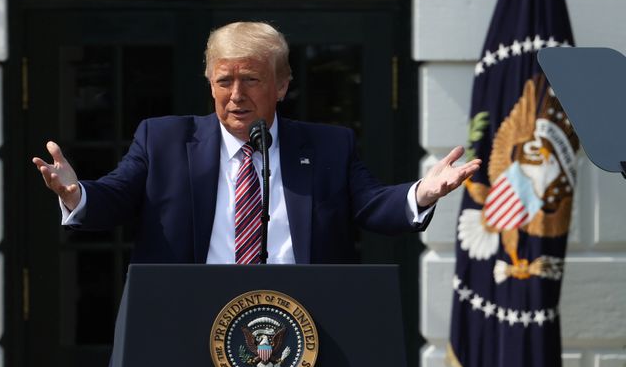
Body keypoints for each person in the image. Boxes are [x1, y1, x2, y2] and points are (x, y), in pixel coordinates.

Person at [34, 21, 480, 264]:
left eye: (251, 80)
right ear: (209, 83)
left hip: (303, 325)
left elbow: (371, 205)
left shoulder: (328, 147)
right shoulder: (164, 139)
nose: (236, 95)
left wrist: (420, 193)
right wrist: (78, 194)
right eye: (224, 80)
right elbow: (117, 195)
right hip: (189, 320)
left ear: (282, 85)